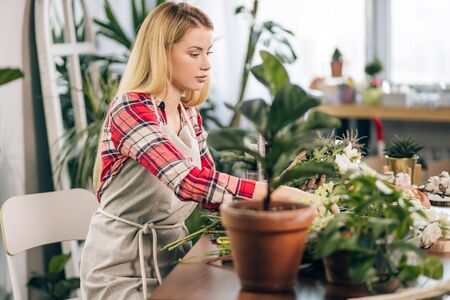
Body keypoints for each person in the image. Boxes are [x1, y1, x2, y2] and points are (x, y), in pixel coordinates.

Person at [80, 2, 310, 299]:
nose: (206, 64)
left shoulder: (188, 115)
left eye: (208, 53)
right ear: (161, 54)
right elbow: (189, 182)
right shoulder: (131, 109)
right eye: (194, 53)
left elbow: (211, 193)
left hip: (174, 260)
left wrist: (286, 192)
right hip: (120, 269)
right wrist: (271, 194)